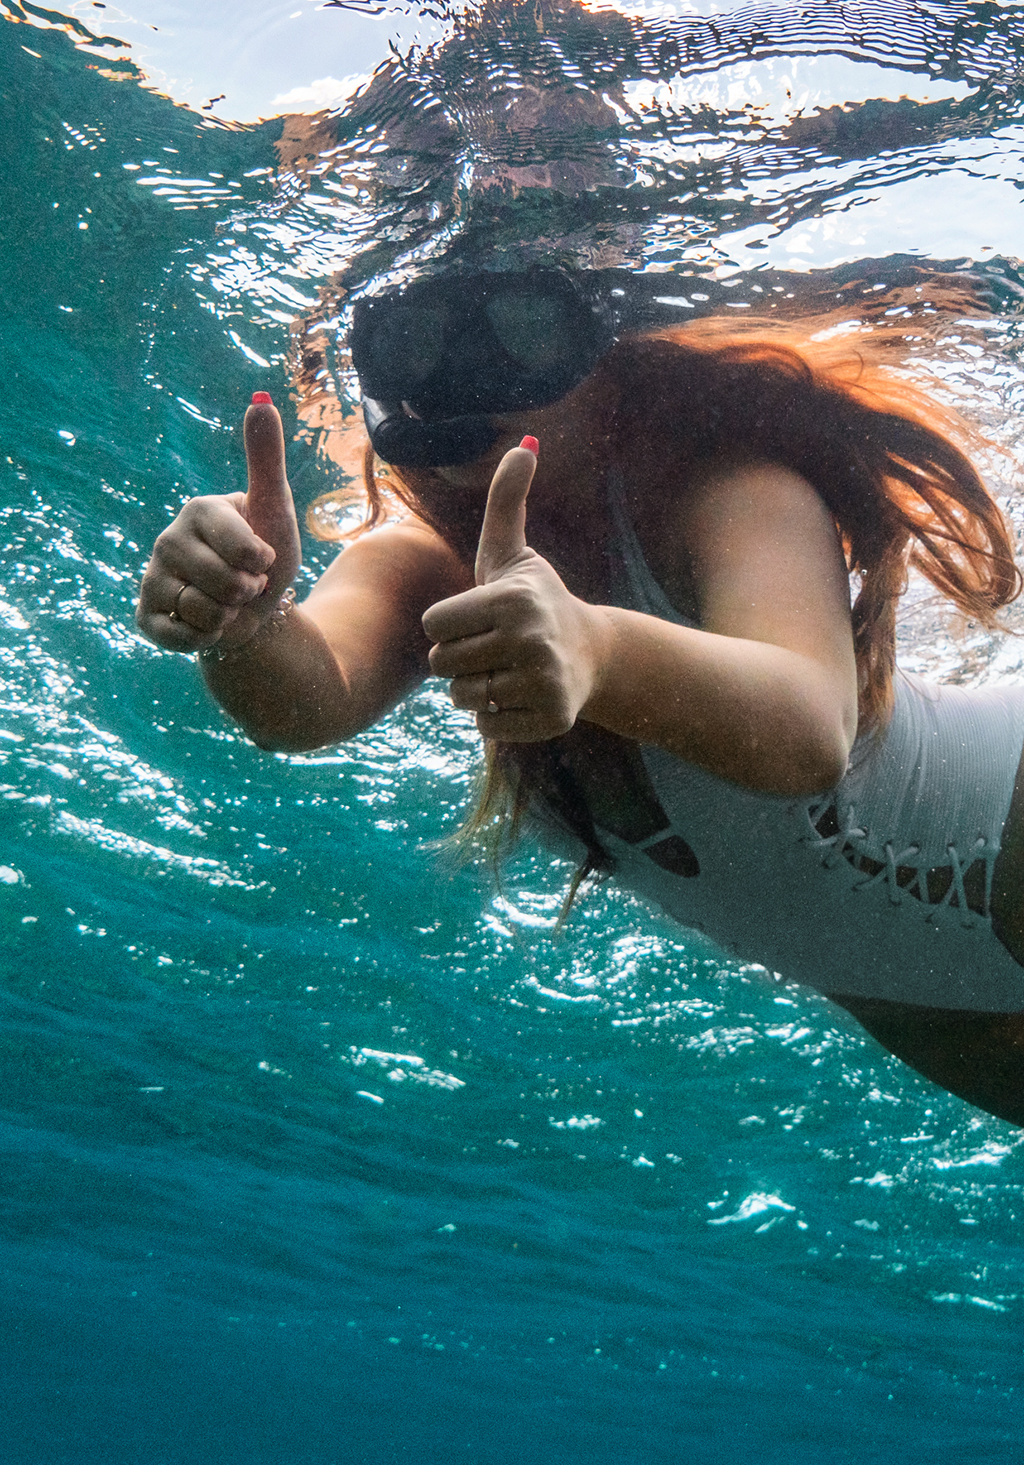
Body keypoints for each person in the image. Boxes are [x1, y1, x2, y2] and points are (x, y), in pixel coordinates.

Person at [135, 264, 1024, 1126]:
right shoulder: (423, 559)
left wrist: (597, 646)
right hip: (917, 985)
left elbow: (808, 725)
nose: (456, 384)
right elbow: (306, 704)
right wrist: (245, 621)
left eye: (520, 331)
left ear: (607, 355)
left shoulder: (726, 489)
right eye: (410, 345)